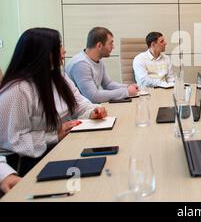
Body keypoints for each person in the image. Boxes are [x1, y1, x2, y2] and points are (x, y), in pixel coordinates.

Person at [0, 28, 107, 176]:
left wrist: (92, 111)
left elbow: (79, 104)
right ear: (41, 54)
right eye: (58, 46)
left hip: (58, 144)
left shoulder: (58, 76)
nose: (63, 51)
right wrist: (54, 135)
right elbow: (15, 140)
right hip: (25, 161)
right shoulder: (18, 90)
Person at [66, 27, 138, 103]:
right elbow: (93, 96)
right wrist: (126, 92)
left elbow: (108, 84)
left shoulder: (99, 60)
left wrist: (128, 86)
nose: (113, 47)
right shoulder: (80, 64)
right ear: (99, 45)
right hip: (79, 112)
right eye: (110, 43)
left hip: (91, 108)